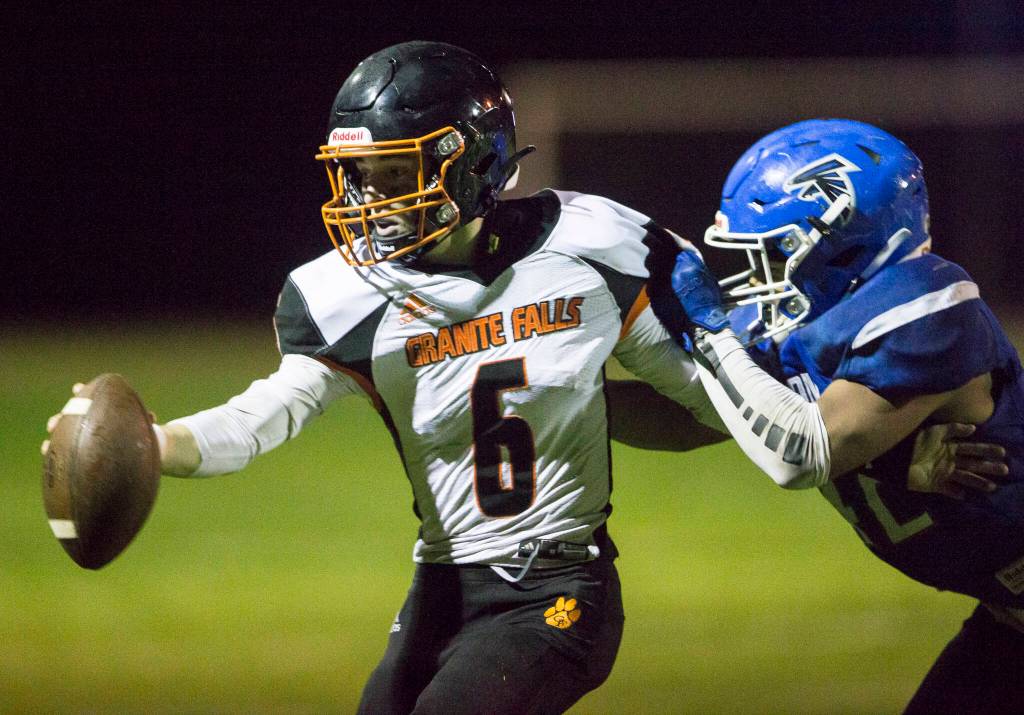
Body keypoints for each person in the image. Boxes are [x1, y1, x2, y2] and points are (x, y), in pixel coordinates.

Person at [43, 41, 733, 713]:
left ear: (473, 162)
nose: (370, 196)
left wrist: (776, 394)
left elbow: (705, 399)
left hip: (555, 585)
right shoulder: (350, 294)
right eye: (360, 173)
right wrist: (155, 444)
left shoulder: (586, 249)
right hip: (442, 587)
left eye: (395, 172)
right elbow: (264, 415)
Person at [660, 118, 1024, 712]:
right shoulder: (809, 325)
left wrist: (709, 334)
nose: (760, 273)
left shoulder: (931, 307)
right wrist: (572, 394)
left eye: (777, 250)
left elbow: (802, 451)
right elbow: (688, 414)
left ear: (846, 243)